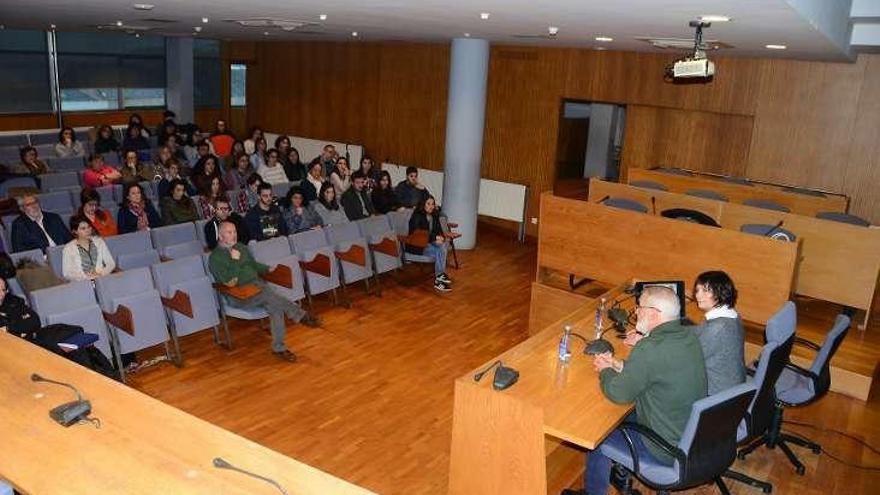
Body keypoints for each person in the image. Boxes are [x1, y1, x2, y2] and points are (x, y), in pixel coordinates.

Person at [570, 286, 707, 495]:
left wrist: (606, 370)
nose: (635, 312)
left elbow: (618, 394)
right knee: (621, 416)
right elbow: (658, 371)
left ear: (654, 314)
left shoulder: (650, 347)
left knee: (597, 432)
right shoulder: (688, 337)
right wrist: (618, 365)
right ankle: (621, 475)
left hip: (666, 447)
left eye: (639, 307)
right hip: (691, 434)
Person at [208, 222, 320, 362]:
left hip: (257, 287)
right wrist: (235, 261)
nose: (234, 235)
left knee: (275, 306)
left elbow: (253, 265)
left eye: (235, 231)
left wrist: (267, 269)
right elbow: (230, 282)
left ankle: (279, 348)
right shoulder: (215, 258)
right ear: (220, 235)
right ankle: (301, 315)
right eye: (229, 232)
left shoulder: (241, 247)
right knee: (270, 296)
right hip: (238, 294)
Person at [691, 271, 746, 395]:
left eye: (706, 291)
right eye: (697, 290)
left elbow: (688, 358)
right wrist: (669, 329)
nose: (698, 295)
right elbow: (700, 330)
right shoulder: (731, 314)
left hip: (716, 394)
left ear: (721, 292)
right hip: (732, 384)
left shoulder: (718, 328)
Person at [406, 196, 451, 292]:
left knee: (442, 246)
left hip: (429, 243)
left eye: (433, 204)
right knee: (440, 250)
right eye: (428, 204)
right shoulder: (417, 216)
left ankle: (439, 279)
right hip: (417, 245)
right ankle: (440, 278)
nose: (431, 206)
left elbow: (438, 231)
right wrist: (435, 238)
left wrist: (440, 238)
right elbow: (418, 234)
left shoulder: (434, 215)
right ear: (423, 204)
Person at [61, 214, 115, 282]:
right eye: (83, 228)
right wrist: (86, 277)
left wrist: (100, 274)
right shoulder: (68, 248)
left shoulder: (99, 241)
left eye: (89, 227)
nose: (88, 230)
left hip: (102, 279)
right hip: (82, 283)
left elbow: (111, 263)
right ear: (75, 231)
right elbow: (67, 273)